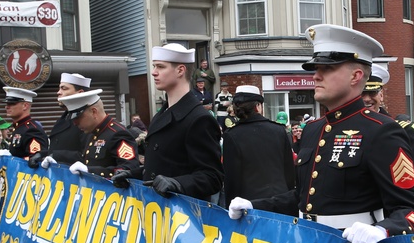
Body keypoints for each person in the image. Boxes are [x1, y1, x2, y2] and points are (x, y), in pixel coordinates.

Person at [228, 24, 414, 243]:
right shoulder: (313, 130)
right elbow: (302, 199)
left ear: (356, 76)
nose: (316, 76)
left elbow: (411, 212)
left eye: (327, 69)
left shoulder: (381, 131)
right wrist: (256, 205)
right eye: (316, 68)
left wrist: (383, 229)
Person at [112, 43, 223, 199]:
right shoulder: (162, 114)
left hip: (181, 216)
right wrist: (132, 174)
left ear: (180, 70)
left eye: (160, 67)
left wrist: (177, 184)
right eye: (154, 66)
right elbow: (161, 165)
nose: (153, 72)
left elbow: (212, 177)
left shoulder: (199, 119)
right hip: (156, 210)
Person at [222, 85, 296, 202]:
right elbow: (289, 173)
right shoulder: (279, 130)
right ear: (258, 107)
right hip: (281, 202)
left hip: (250, 206)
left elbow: (232, 180)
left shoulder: (232, 135)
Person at [54, 89, 138, 178]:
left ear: (94, 112)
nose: (75, 123)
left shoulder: (118, 134)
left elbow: (129, 169)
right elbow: (83, 158)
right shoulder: (90, 133)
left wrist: (91, 171)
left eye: (78, 117)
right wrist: (55, 157)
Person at [46, 72, 91, 165]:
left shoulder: (87, 121)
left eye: (64, 88)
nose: (58, 92)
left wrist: (56, 155)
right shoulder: (63, 118)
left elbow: (87, 155)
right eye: (59, 88)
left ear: (80, 93)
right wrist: (41, 155)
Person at [2, 87, 49, 163]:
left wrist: (11, 159)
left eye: (12, 103)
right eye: (7, 104)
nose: (6, 107)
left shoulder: (32, 130)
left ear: (25, 106)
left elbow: (36, 160)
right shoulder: (18, 127)